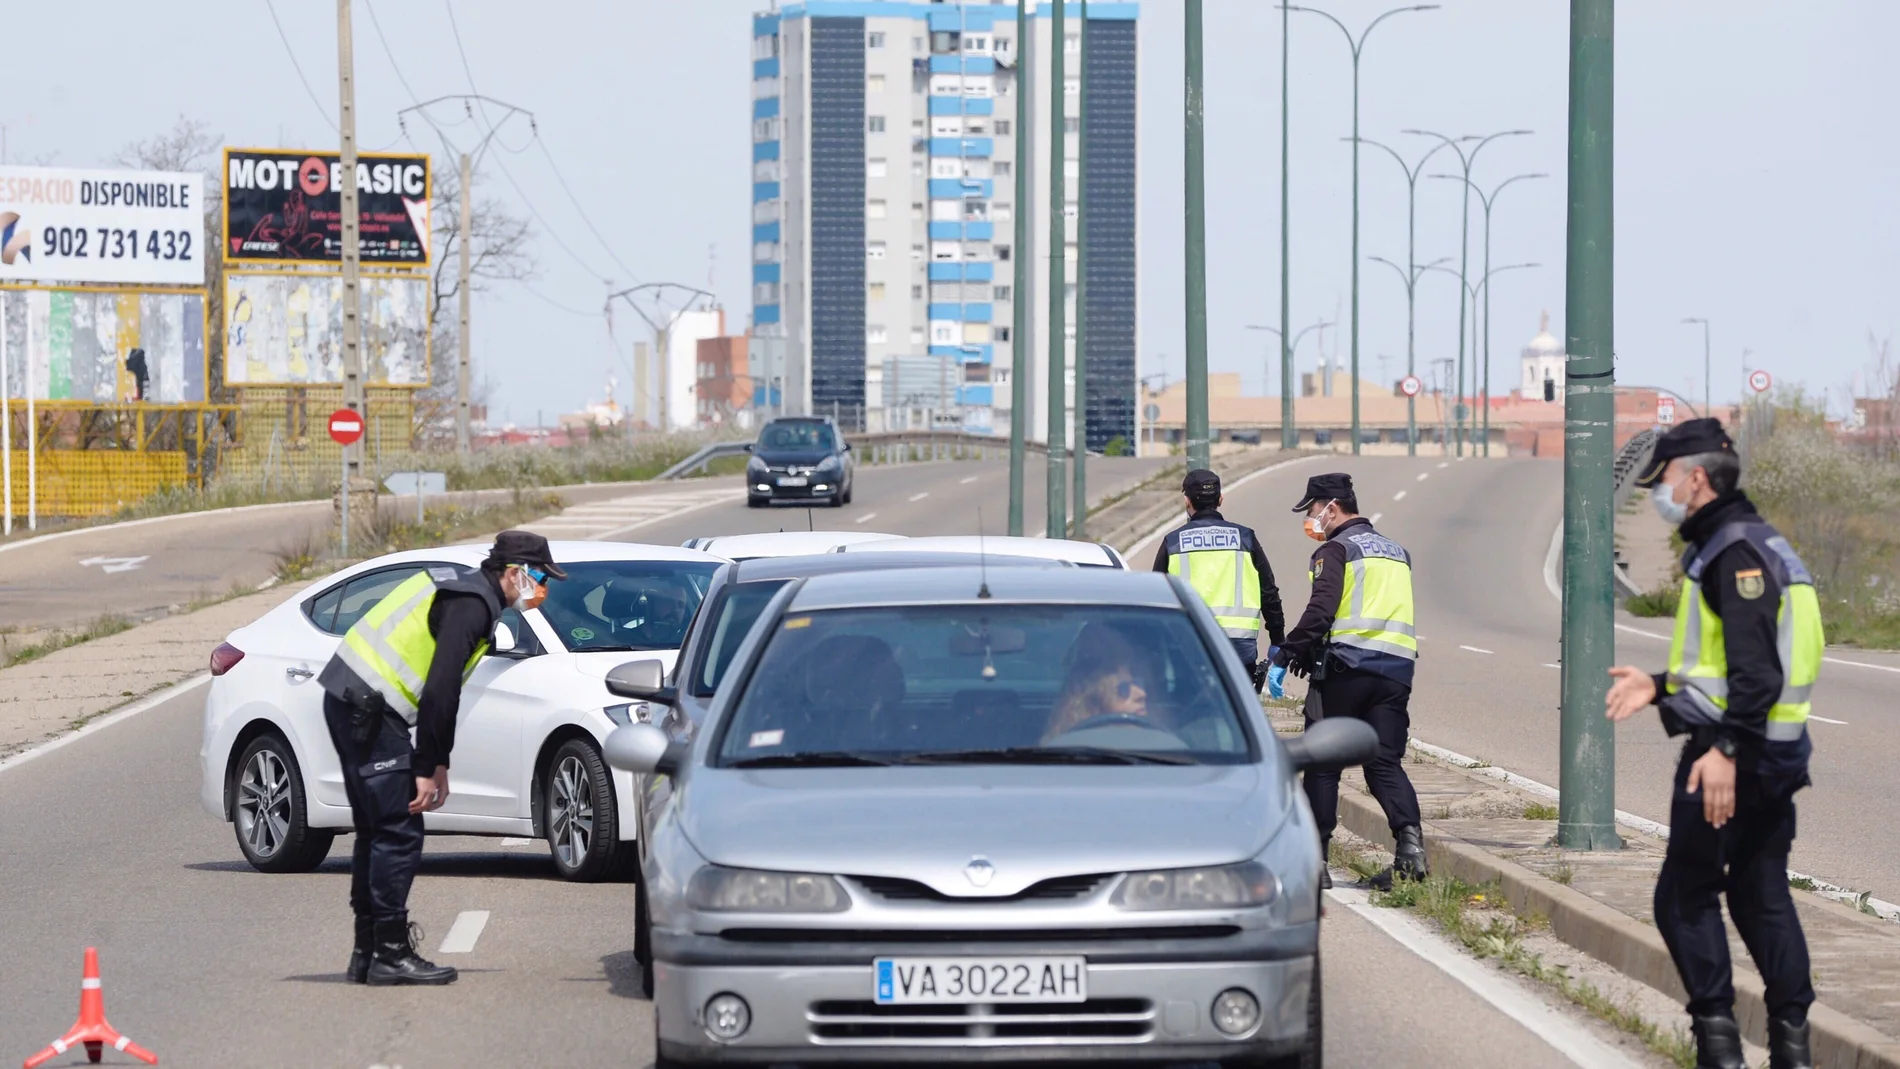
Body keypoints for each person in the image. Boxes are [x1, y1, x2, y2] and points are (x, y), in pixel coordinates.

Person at [1605, 418, 1820, 1069]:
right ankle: (1792, 1049)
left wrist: (1724, 749)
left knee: (1684, 895)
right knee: (1760, 893)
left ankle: (1719, 1047)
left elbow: (1756, 674)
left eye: (1666, 479)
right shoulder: (1760, 540)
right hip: (1775, 752)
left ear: (1696, 478)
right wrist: (1662, 684)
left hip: (1733, 756)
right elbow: (1737, 662)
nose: (1661, 493)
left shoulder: (1733, 551)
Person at [317, 530, 565, 987]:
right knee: (398, 830)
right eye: (539, 578)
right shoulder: (471, 604)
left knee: (377, 829)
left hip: (352, 700)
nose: (542, 590)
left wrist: (438, 763)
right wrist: (427, 766)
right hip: (368, 709)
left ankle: (367, 952)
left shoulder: (467, 591)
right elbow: (441, 690)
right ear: (514, 574)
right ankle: (388, 954)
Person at [1272, 472, 1424, 889]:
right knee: (1383, 764)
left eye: (1313, 510)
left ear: (1332, 508)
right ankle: (1410, 852)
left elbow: (1323, 610)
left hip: (1346, 671)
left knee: (1323, 766)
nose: (1311, 519)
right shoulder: (1397, 552)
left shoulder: (1337, 549)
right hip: (1395, 673)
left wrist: (1287, 652)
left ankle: (1315, 861)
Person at [1152, 468, 1286, 692]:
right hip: (1239, 648)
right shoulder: (1245, 539)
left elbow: (1155, 597)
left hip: (1188, 646)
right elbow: (1268, 592)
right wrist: (1278, 639)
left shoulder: (1172, 543)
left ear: (1187, 501)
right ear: (1220, 499)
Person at [1044, 622, 1167, 742]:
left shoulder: (1166, 751)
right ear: (1094, 707)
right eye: (1123, 690)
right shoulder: (1059, 756)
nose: (1141, 694)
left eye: (1138, 683)